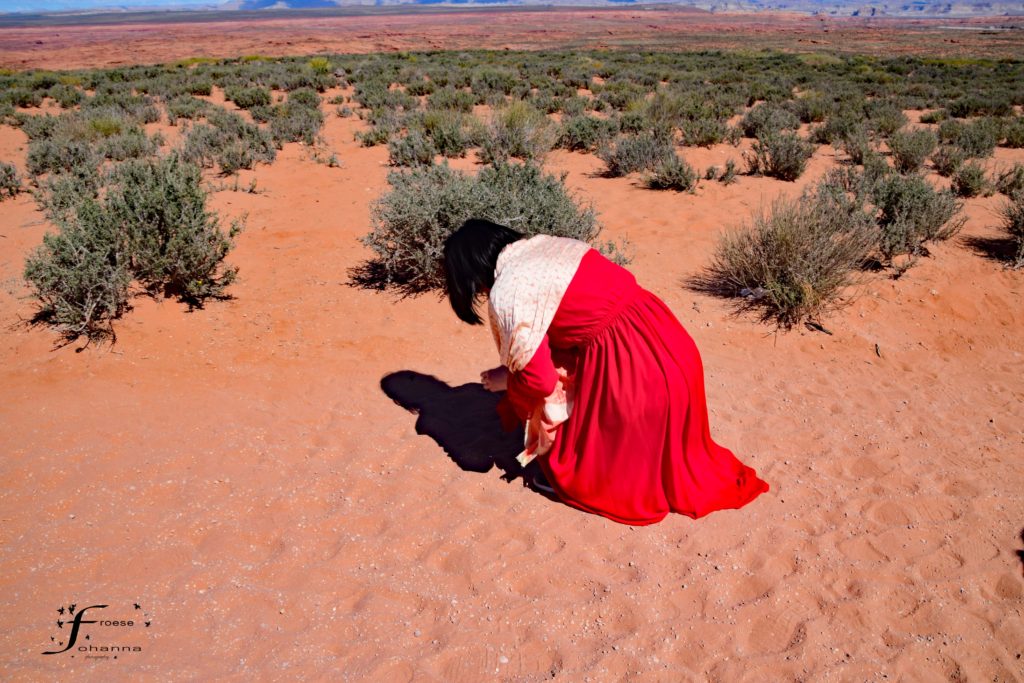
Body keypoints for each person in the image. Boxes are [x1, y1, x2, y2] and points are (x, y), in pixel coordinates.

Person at [442, 218, 769, 526]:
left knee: (540, 404)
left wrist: (508, 379)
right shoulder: (549, 246)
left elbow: (539, 380)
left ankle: (581, 475)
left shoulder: (509, 291)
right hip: (672, 347)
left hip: (633, 371)